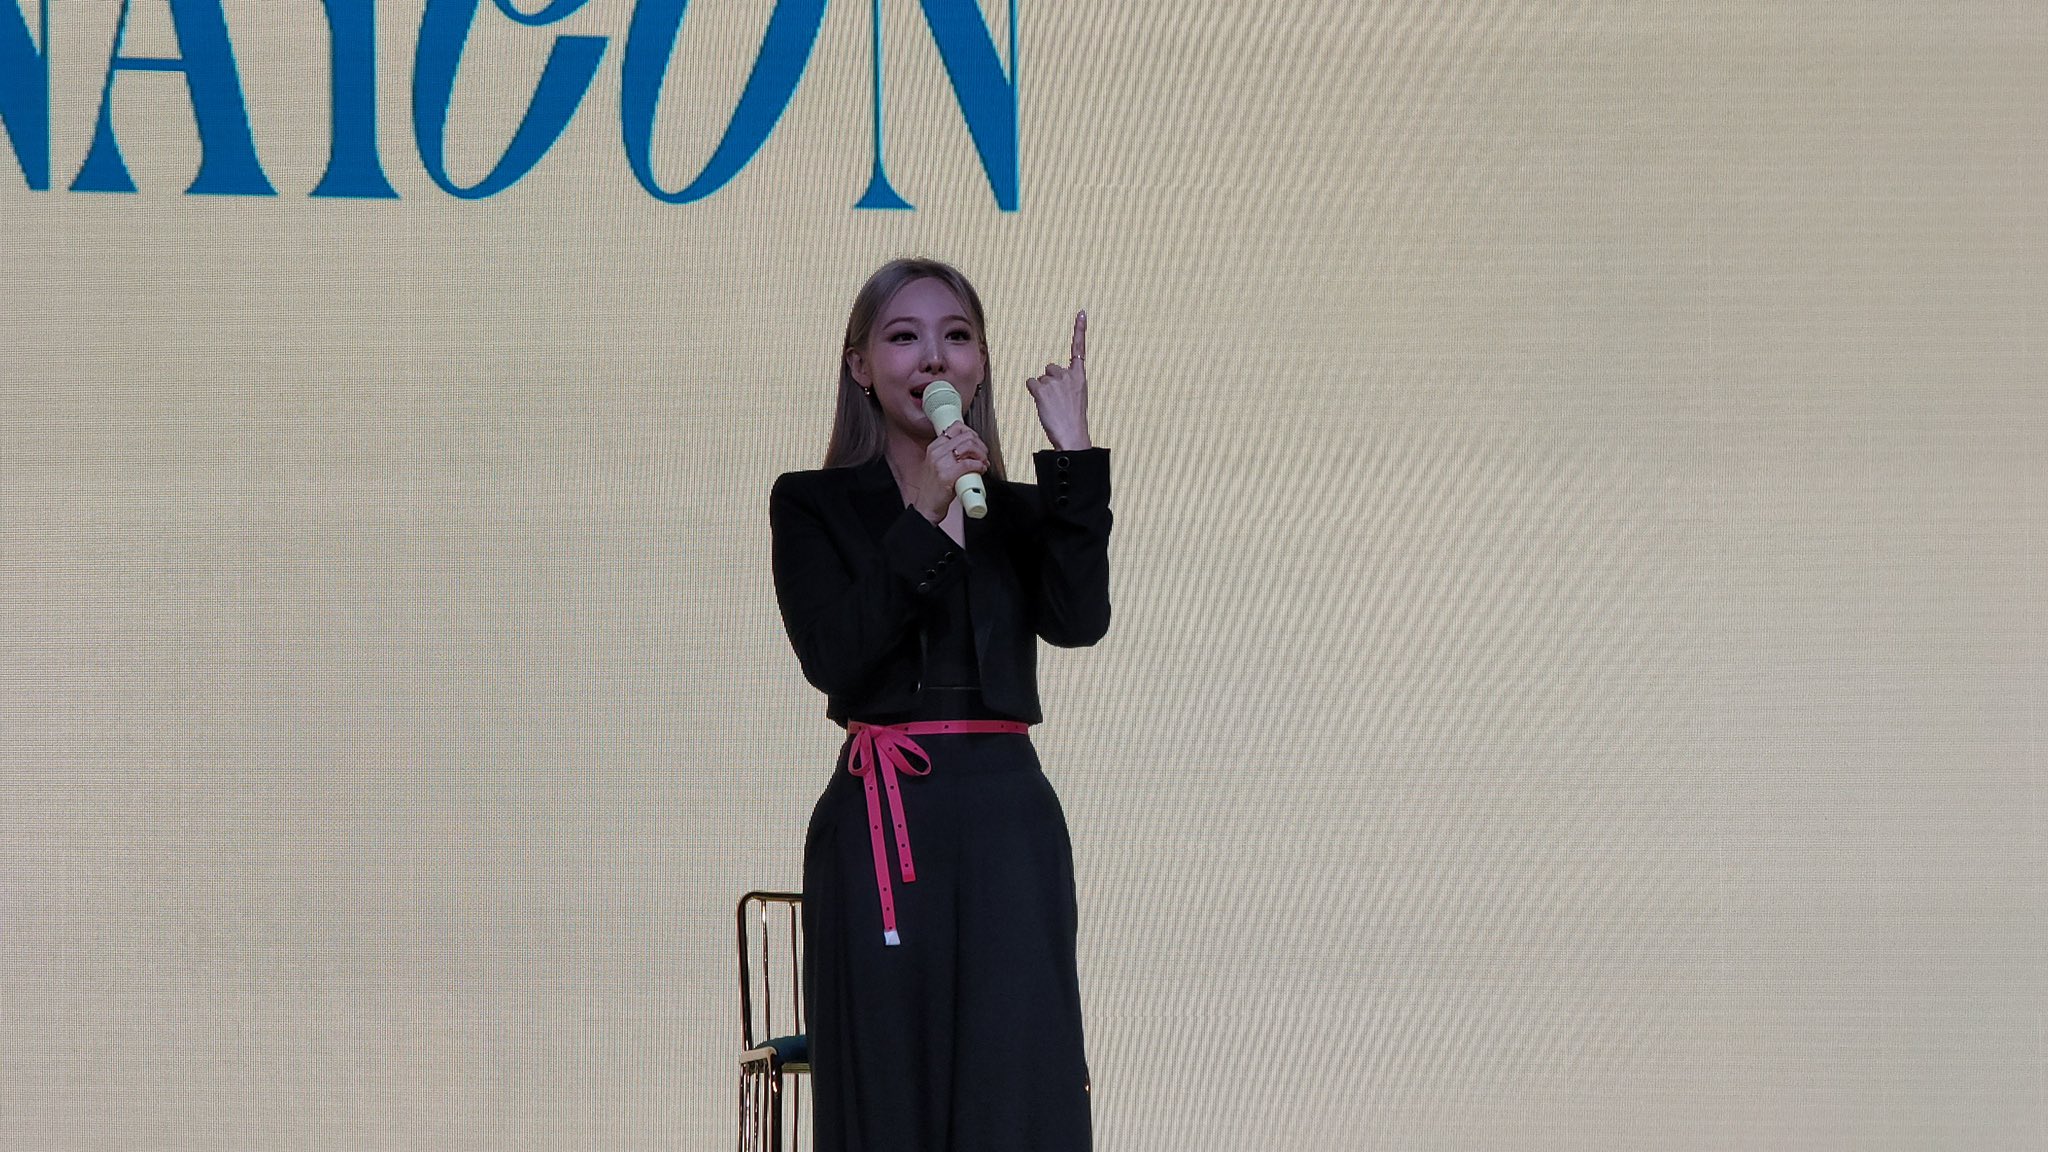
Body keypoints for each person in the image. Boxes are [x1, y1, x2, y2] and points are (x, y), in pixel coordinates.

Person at [770, 257, 1111, 1152]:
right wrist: (918, 515)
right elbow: (834, 657)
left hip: (1005, 817)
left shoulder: (1016, 512)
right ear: (860, 364)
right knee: (888, 1077)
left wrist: (1073, 457)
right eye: (903, 337)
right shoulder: (811, 503)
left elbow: (1079, 621)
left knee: (1017, 1071)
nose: (933, 358)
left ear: (981, 364)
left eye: (956, 337)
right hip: (882, 817)